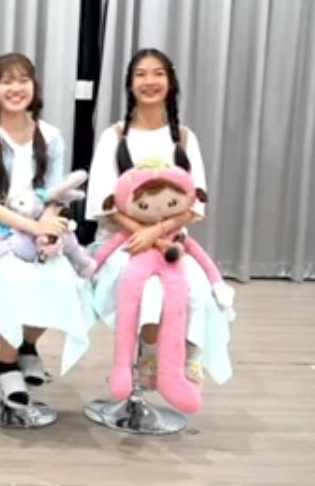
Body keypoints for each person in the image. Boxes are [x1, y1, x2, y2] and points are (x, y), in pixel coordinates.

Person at [86, 48, 235, 394]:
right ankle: (149, 361)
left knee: (200, 290)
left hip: (172, 244)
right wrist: (143, 233)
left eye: (158, 73)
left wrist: (158, 231)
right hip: (123, 243)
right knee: (152, 292)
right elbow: (103, 201)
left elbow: (196, 202)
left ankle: (185, 362)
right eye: (140, 74)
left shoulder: (184, 138)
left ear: (170, 82)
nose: (149, 81)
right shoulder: (115, 137)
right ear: (129, 84)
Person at [0, 53, 96, 409]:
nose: (15, 88)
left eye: (23, 80)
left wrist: (47, 229)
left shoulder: (52, 137)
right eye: (7, 81)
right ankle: (5, 364)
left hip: (38, 231)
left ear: (34, 87)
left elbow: (55, 195)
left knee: (64, 279)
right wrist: (35, 226)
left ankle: (27, 346)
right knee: (13, 278)